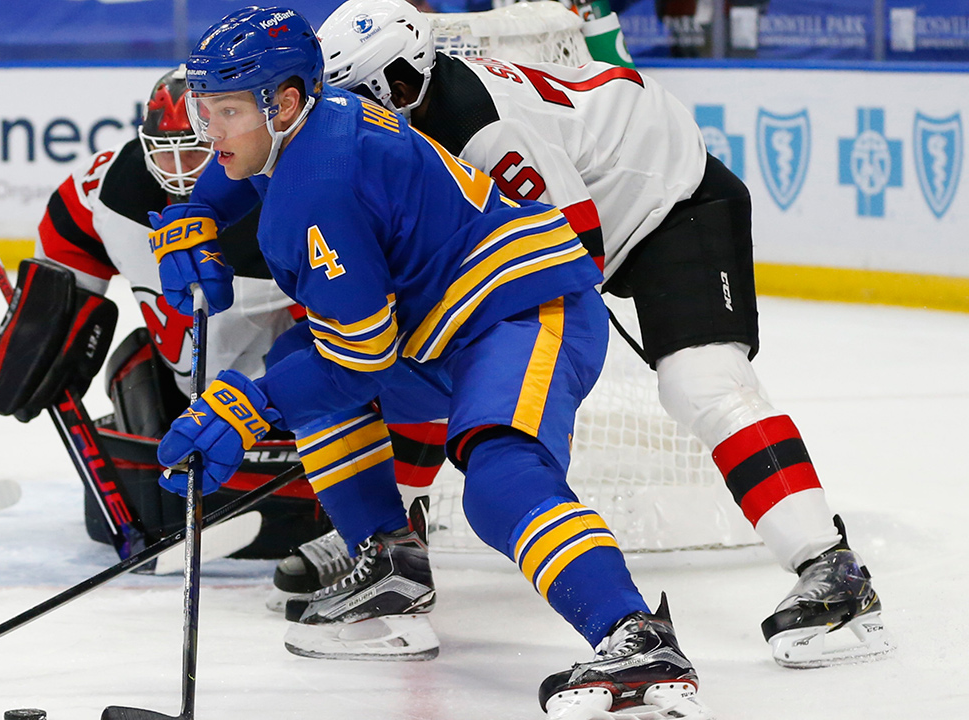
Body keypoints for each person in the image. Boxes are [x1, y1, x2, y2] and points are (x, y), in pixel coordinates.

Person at [151, 7, 714, 717]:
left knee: (498, 477)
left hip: (523, 311)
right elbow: (246, 167)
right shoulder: (307, 124)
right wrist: (196, 211)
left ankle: (635, 637)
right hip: (448, 324)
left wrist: (251, 405)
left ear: (286, 100)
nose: (211, 133)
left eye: (226, 110)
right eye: (206, 110)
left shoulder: (316, 191)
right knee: (304, 358)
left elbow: (359, 363)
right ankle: (391, 562)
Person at [316, 0, 890, 669]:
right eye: (350, 96)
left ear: (411, 75)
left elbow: (573, 249)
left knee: (699, 380)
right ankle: (388, 545)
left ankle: (832, 565)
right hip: (604, 193)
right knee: (428, 355)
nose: (368, 109)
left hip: (670, 197)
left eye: (382, 91)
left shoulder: (481, 128)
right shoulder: (403, 129)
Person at [28, 66, 444, 559]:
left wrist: (408, 485)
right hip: (205, 406)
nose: (181, 167)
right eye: (167, 149)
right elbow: (69, 226)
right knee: (133, 361)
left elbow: (372, 349)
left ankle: (390, 519)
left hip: (285, 408)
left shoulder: (302, 196)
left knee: (353, 364)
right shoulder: (122, 185)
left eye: (196, 147)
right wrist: (43, 319)